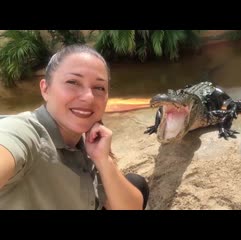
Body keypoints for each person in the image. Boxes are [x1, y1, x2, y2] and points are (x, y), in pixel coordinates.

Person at [0, 44, 149, 210]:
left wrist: (104, 160)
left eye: (99, 87)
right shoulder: (22, 132)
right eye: (73, 82)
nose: (88, 97)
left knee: (136, 183)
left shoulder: (85, 141)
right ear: (45, 89)